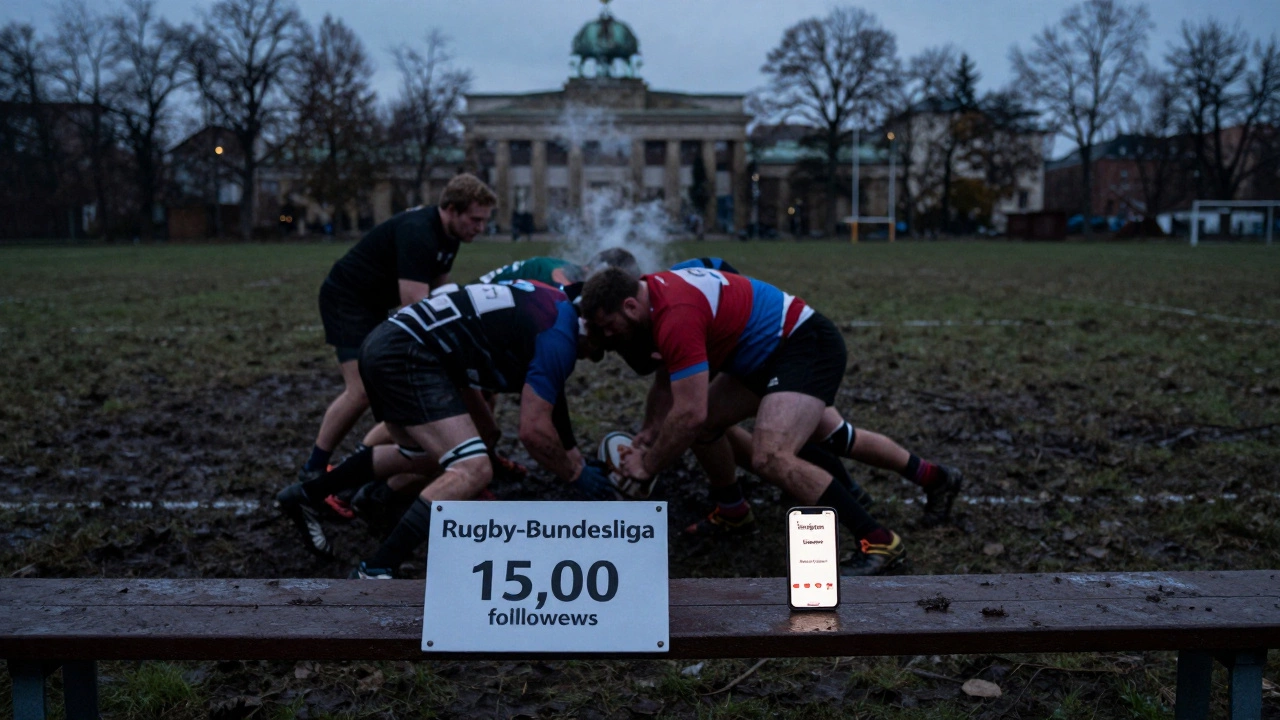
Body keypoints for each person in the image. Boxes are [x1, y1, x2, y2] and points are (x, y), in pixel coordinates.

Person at [581, 266, 961, 576]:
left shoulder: (674, 314)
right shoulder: (656, 294)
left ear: (630, 305)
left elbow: (687, 413)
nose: (610, 337)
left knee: (774, 455)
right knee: (715, 428)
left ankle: (878, 540)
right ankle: (935, 478)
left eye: (610, 326)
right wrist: (650, 430)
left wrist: (647, 465)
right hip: (761, 356)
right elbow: (672, 377)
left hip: (802, 345)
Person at [277, 280, 613, 578]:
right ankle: (377, 567)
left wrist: (573, 455)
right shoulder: (560, 336)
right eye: (595, 353)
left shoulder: (549, 299)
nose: (586, 359)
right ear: (594, 329)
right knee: (474, 468)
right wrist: (573, 472)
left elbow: (552, 397)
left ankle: (307, 493)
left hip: (392, 340)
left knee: (432, 452)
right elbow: (532, 430)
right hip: (411, 354)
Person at [299, 174, 497, 487]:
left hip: (374, 304)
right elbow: (414, 307)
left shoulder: (451, 236)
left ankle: (371, 463)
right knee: (362, 391)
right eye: (475, 220)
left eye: (484, 221)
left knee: (390, 389)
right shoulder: (419, 232)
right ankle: (314, 467)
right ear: (451, 209)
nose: (481, 228)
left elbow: (440, 291)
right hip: (347, 299)